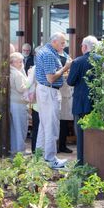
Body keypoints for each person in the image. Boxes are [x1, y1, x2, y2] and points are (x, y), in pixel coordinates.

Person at [35, 32, 72, 169]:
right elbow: (51, 78)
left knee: (44, 125)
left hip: (45, 90)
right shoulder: (49, 54)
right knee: (51, 125)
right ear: (54, 42)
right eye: (62, 43)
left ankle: (40, 157)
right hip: (49, 90)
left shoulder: (45, 50)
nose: (64, 45)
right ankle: (50, 159)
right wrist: (65, 67)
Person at [67, 35, 98, 164]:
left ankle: (81, 163)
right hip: (97, 103)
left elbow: (70, 81)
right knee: (96, 134)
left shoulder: (78, 61)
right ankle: (95, 161)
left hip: (81, 104)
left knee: (81, 135)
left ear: (84, 47)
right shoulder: (102, 61)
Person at [9, 52, 29, 155]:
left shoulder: (10, 71)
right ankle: (20, 150)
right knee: (21, 127)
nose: (21, 64)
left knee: (14, 128)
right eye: (19, 62)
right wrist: (30, 84)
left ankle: (14, 149)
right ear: (12, 63)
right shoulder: (17, 73)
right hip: (19, 102)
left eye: (21, 61)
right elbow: (21, 88)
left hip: (12, 102)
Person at [58, 53, 74, 154]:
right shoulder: (61, 73)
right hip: (62, 100)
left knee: (63, 125)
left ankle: (61, 145)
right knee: (61, 125)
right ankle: (61, 146)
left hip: (65, 100)